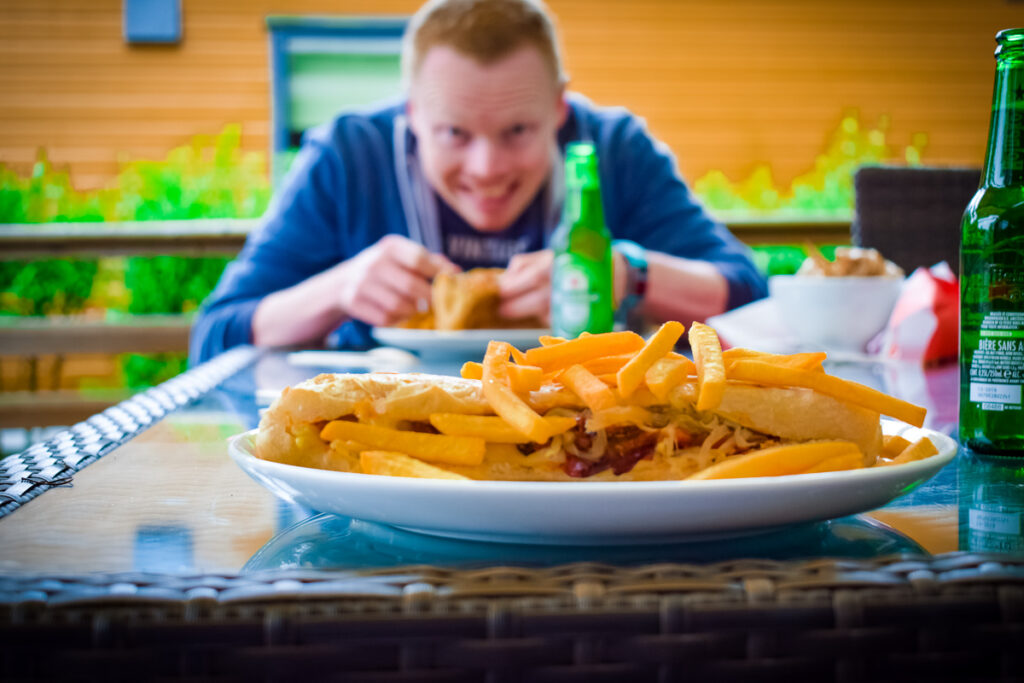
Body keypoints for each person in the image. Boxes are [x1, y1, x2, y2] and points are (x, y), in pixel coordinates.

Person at [189, 0, 767, 364]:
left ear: (559, 109)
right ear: (412, 114)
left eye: (517, 130)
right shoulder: (349, 154)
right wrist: (338, 289)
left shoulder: (612, 148)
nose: (487, 169)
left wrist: (627, 273)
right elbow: (215, 337)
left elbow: (746, 291)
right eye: (455, 134)